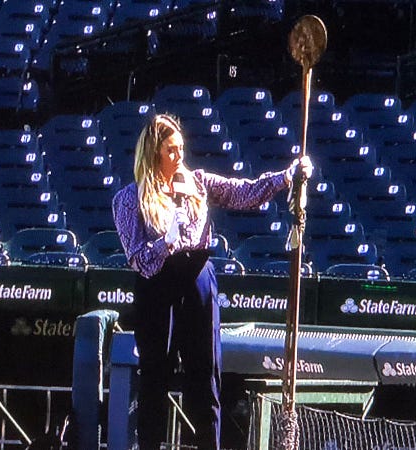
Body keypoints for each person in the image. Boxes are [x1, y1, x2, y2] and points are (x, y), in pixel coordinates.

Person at [112, 113, 313, 450]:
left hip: (198, 280)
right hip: (158, 285)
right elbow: (137, 259)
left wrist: (286, 177)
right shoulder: (130, 199)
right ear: (153, 153)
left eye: (181, 149)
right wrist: (166, 242)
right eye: (171, 151)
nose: (179, 157)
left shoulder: (198, 183)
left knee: (206, 376)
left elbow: (245, 193)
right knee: (154, 378)